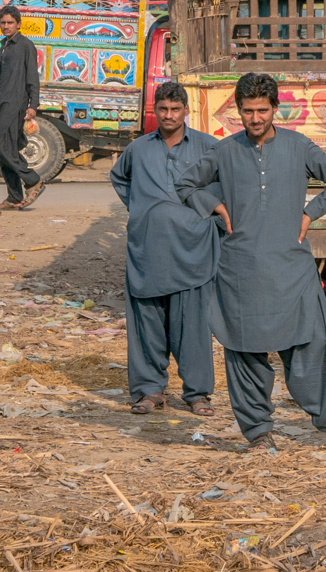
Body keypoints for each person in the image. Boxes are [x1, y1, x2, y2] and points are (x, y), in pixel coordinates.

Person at [176, 73, 326, 451]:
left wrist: (310, 213)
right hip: (240, 270)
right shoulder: (225, 151)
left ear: (276, 109)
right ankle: (259, 432)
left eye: (263, 110)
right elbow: (186, 184)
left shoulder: (298, 146)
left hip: (291, 270)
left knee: (312, 347)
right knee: (244, 351)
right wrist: (215, 207)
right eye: (248, 111)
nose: (255, 118)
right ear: (238, 112)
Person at [110, 82, 219, 417]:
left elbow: (225, 186)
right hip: (148, 250)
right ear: (154, 110)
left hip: (193, 251)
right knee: (146, 321)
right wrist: (144, 210)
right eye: (163, 109)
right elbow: (120, 178)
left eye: (175, 109)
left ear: (186, 110)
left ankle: (197, 393)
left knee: (193, 325)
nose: (169, 115)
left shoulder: (208, 147)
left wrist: (205, 218)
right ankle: (149, 390)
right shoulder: (139, 149)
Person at [0, 5, 44, 210]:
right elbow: (1, 76)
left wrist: (32, 105)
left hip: (15, 102)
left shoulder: (26, 45)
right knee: (4, 149)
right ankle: (14, 197)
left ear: (18, 24)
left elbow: (32, 77)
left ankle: (33, 180)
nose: (6, 26)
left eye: (10, 22)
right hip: (2, 100)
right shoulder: (5, 45)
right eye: (3, 23)